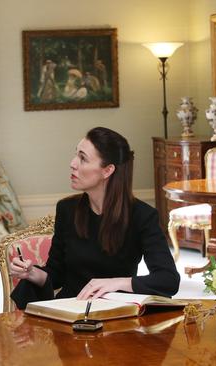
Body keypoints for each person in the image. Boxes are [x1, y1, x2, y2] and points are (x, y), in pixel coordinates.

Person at [10, 127, 180, 309]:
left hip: (115, 315)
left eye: (83, 158)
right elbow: (56, 274)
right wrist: (31, 273)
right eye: (76, 155)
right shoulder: (67, 209)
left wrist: (117, 283)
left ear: (107, 171)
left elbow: (168, 279)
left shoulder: (142, 216)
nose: (73, 163)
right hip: (70, 311)